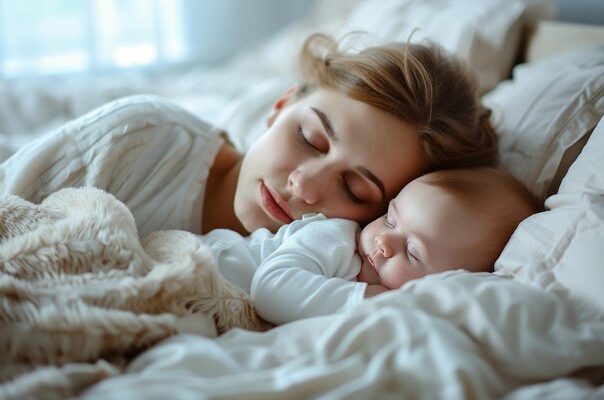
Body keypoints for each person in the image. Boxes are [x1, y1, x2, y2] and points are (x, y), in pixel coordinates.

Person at [0, 33, 497, 238]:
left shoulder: (328, 274)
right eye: (309, 138)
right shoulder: (139, 140)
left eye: (355, 189)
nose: (303, 186)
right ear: (281, 106)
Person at [203, 167, 541, 325]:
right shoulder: (335, 238)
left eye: (413, 253)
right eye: (391, 219)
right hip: (207, 264)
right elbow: (271, 288)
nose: (384, 240)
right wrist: (369, 299)